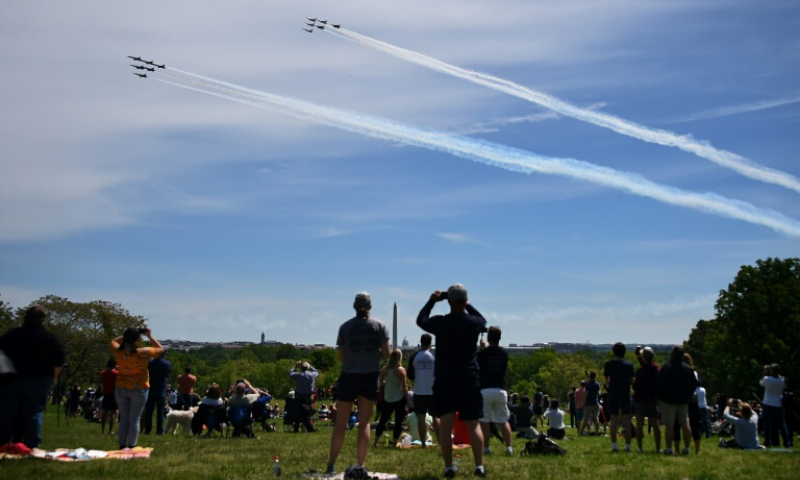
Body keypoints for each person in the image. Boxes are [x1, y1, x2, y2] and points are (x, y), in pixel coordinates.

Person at [417, 284, 488, 478]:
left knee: (446, 425)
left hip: (446, 377)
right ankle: (479, 466)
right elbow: (484, 321)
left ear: (449, 301)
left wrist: (432, 301)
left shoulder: (442, 323)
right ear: (465, 301)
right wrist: (468, 305)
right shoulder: (473, 323)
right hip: (469, 376)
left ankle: (449, 467)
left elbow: (421, 320)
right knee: (474, 425)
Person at [326, 292, 390, 476]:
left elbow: (341, 356)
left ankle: (331, 464)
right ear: (370, 306)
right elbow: (387, 354)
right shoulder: (380, 325)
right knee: (364, 424)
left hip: (349, 376)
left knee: (340, 424)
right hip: (369, 376)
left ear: (354, 306)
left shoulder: (345, 327)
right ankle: (360, 464)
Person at [0, 306, 65, 449]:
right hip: (39, 380)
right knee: (34, 413)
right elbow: (58, 361)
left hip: (11, 380)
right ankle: (32, 446)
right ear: (42, 319)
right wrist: (53, 379)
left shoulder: (10, 336)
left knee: (7, 413)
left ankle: (3, 443)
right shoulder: (49, 338)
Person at [111, 326, 164, 450]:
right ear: (138, 340)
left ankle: (122, 445)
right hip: (139, 388)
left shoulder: (118, 351)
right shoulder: (143, 352)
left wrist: (129, 334)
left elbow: (113, 341)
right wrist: (149, 336)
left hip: (121, 387)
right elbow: (160, 349)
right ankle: (132, 445)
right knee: (135, 418)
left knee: (124, 418)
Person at [477, 326, 513, 456]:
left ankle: (486, 448)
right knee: (503, 421)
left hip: (485, 390)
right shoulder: (504, 354)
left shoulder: (481, 354)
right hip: (500, 390)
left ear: (488, 338)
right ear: (500, 338)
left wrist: (482, 348)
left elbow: (480, 363)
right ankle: (509, 447)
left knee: (485, 421)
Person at [656, 345, 697, 455]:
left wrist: (660, 397)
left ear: (673, 354)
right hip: (683, 400)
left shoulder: (666, 368)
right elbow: (693, 385)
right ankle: (687, 448)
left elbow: (660, 384)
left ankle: (669, 449)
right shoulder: (688, 369)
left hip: (668, 400)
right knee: (685, 423)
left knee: (669, 425)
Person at [407, 333, 439, 447]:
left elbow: (410, 375)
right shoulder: (435, 356)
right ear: (430, 343)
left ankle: (423, 443)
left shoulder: (414, 357)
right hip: (432, 391)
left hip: (419, 390)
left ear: (420, 342)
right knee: (435, 417)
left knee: (421, 417)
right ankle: (440, 443)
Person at [374, 349, 409, 446]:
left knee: (382, 421)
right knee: (398, 422)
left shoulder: (384, 370)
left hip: (387, 398)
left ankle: (375, 442)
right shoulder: (401, 370)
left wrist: (387, 383)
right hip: (399, 398)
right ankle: (395, 442)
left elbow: (381, 385)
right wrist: (408, 399)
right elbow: (404, 387)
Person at [604, 342, 635, 452]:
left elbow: (606, 381)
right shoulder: (629, 365)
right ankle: (627, 446)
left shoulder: (608, 364)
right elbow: (632, 382)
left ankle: (614, 446)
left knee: (614, 420)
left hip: (613, 393)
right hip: (625, 394)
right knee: (627, 421)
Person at [632, 346, 661, 453]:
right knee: (655, 424)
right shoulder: (656, 369)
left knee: (639, 424)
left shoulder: (640, 371)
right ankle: (658, 448)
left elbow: (635, 386)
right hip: (652, 399)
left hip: (640, 399)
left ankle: (640, 448)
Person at [760, 363, 793, 448]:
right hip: (778, 404)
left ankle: (768, 441)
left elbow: (761, 383)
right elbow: (786, 385)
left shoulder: (767, 379)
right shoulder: (782, 380)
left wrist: (764, 372)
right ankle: (787, 442)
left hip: (767, 404)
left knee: (766, 424)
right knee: (782, 424)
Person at [143, 349, 172, 435]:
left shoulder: (150, 363)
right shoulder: (167, 364)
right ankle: (159, 430)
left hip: (151, 388)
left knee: (149, 411)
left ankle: (147, 429)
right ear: (164, 355)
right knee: (160, 411)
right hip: (161, 389)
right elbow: (168, 372)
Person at [100, 358, 119, 435]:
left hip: (106, 393)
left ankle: (103, 430)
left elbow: (102, 380)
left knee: (105, 412)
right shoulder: (117, 373)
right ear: (115, 365)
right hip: (114, 393)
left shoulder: (103, 373)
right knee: (113, 412)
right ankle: (111, 430)